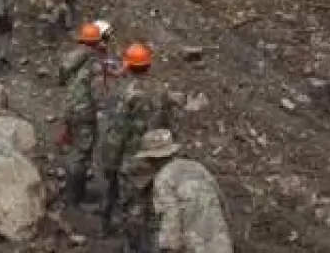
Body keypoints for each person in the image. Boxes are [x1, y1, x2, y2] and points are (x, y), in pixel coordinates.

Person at [101, 43, 174, 235]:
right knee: (151, 202)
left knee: (132, 206)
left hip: (132, 158)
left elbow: (118, 132)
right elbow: (169, 124)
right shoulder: (162, 90)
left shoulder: (126, 93)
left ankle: (134, 243)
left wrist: (110, 162)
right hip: (158, 156)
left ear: (128, 65)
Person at [119, 131, 233, 253]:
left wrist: (168, 247)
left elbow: (171, 218)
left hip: (194, 244)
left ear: (152, 159)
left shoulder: (163, 178)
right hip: (219, 242)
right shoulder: (198, 167)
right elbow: (221, 203)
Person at [58, 20, 114, 207]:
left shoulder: (74, 58)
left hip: (71, 109)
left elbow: (62, 79)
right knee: (81, 154)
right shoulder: (94, 63)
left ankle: (72, 190)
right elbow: (98, 93)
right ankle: (75, 198)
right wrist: (104, 111)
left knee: (74, 149)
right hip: (85, 114)